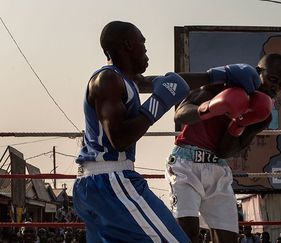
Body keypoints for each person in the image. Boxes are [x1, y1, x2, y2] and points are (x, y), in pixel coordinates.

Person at [72, 21, 196, 242]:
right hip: (111, 180)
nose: (146, 47)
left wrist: (220, 77)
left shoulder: (126, 81)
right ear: (128, 44)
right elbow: (118, 138)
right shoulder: (107, 80)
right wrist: (158, 103)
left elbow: (170, 82)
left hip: (94, 184)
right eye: (142, 41)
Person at [165, 53, 281, 243]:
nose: (275, 87)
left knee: (228, 239)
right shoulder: (223, 86)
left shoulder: (263, 115)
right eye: (272, 79)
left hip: (218, 169)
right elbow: (180, 115)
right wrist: (211, 107)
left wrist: (238, 124)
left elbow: (225, 151)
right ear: (258, 72)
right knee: (187, 232)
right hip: (185, 163)